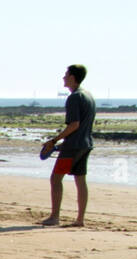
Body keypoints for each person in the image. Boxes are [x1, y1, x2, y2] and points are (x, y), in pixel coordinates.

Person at [41, 65, 95, 227]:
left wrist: (54, 140)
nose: (63, 77)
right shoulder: (88, 96)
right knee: (80, 180)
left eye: (66, 74)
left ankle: (54, 217)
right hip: (86, 144)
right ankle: (80, 220)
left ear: (72, 77)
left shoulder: (74, 97)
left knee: (56, 178)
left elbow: (74, 125)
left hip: (72, 146)